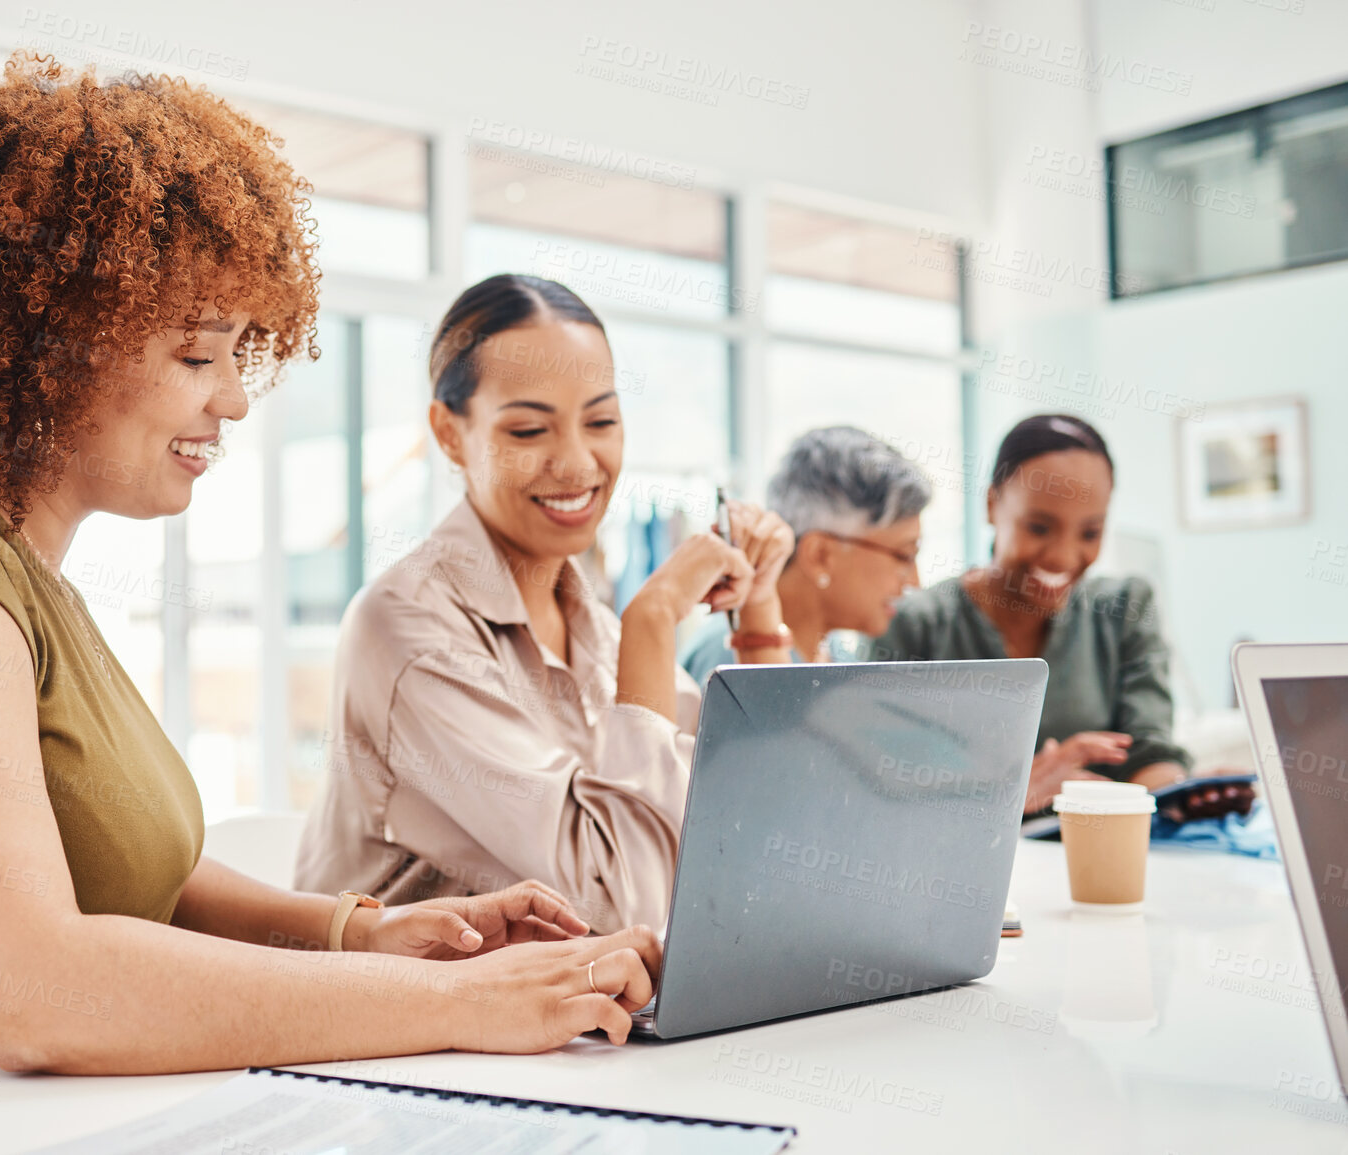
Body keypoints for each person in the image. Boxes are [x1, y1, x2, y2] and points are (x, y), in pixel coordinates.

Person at [0, 61, 662, 1155]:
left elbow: (113, 862)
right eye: (197, 353)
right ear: (36, 345)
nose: (235, 396)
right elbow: (33, 991)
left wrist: (366, 935)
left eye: (240, 353)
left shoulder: (9, 572)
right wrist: (468, 1006)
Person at [294, 274, 795, 933]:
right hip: (402, 1027)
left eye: (601, 421)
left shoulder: (583, 620)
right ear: (449, 433)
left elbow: (768, 808)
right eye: (529, 430)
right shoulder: (409, 627)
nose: (576, 461)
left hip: (556, 1020)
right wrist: (651, 620)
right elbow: (623, 906)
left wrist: (757, 613)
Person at [866, 414, 1193, 815]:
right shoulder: (917, 624)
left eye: (1090, 533)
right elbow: (881, 786)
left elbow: (1149, 753)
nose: (1062, 557)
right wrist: (1014, 792)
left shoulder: (1125, 609)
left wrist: (1185, 797)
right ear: (992, 505)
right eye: (1038, 527)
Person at [680, 426, 930, 681]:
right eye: (904, 556)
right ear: (820, 555)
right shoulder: (731, 661)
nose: (915, 583)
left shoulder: (835, 656)